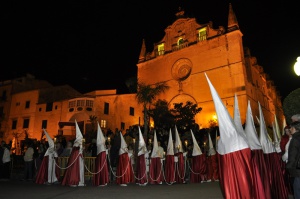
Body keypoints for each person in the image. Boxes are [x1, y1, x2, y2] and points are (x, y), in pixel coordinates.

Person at [61, 120, 85, 187]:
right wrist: (80, 149)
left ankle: (80, 181)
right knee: (75, 169)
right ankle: (74, 181)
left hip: (80, 158)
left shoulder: (80, 143)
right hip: (76, 159)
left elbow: (81, 150)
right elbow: (75, 151)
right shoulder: (76, 143)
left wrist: (82, 149)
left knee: (80, 169)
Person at [92, 122, 109, 186]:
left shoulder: (102, 144)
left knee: (104, 168)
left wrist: (107, 149)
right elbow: (102, 151)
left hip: (103, 159)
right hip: (101, 159)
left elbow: (105, 151)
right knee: (101, 168)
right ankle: (101, 180)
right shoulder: (100, 145)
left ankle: (104, 180)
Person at [286, 121, 300, 199]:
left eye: (291, 128)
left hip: (297, 169)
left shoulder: (294, 139)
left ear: (294, 128)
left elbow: (293, 155)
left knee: (297, 190)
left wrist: (289, 167)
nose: (290, 129)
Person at [281, 125, 294, 195]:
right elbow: (282, 147)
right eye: (285, 131)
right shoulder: (284, 138)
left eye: (288, 131)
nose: (287, 132)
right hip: (286, 158)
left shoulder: (293, 138)